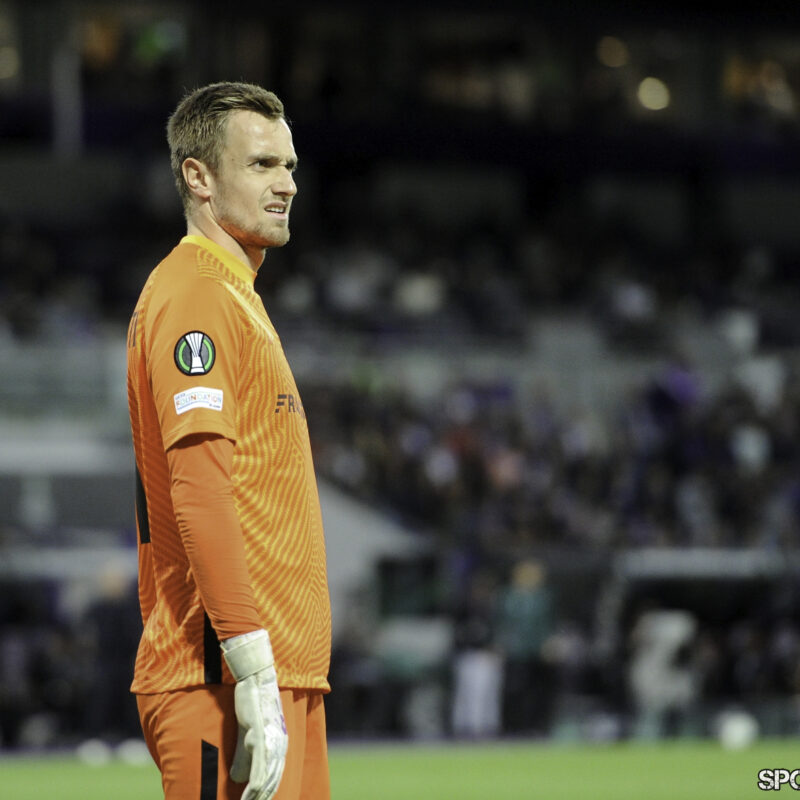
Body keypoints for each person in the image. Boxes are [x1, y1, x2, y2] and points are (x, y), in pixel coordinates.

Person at [126, 82, 331, 800]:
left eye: (291, 166)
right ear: (199, 176)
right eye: (264, 165)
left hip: (274, 676)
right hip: (222, 677)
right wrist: (251, 670)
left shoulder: (235, 293)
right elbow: (200, 489)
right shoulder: (197, 293)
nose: (289, 185)